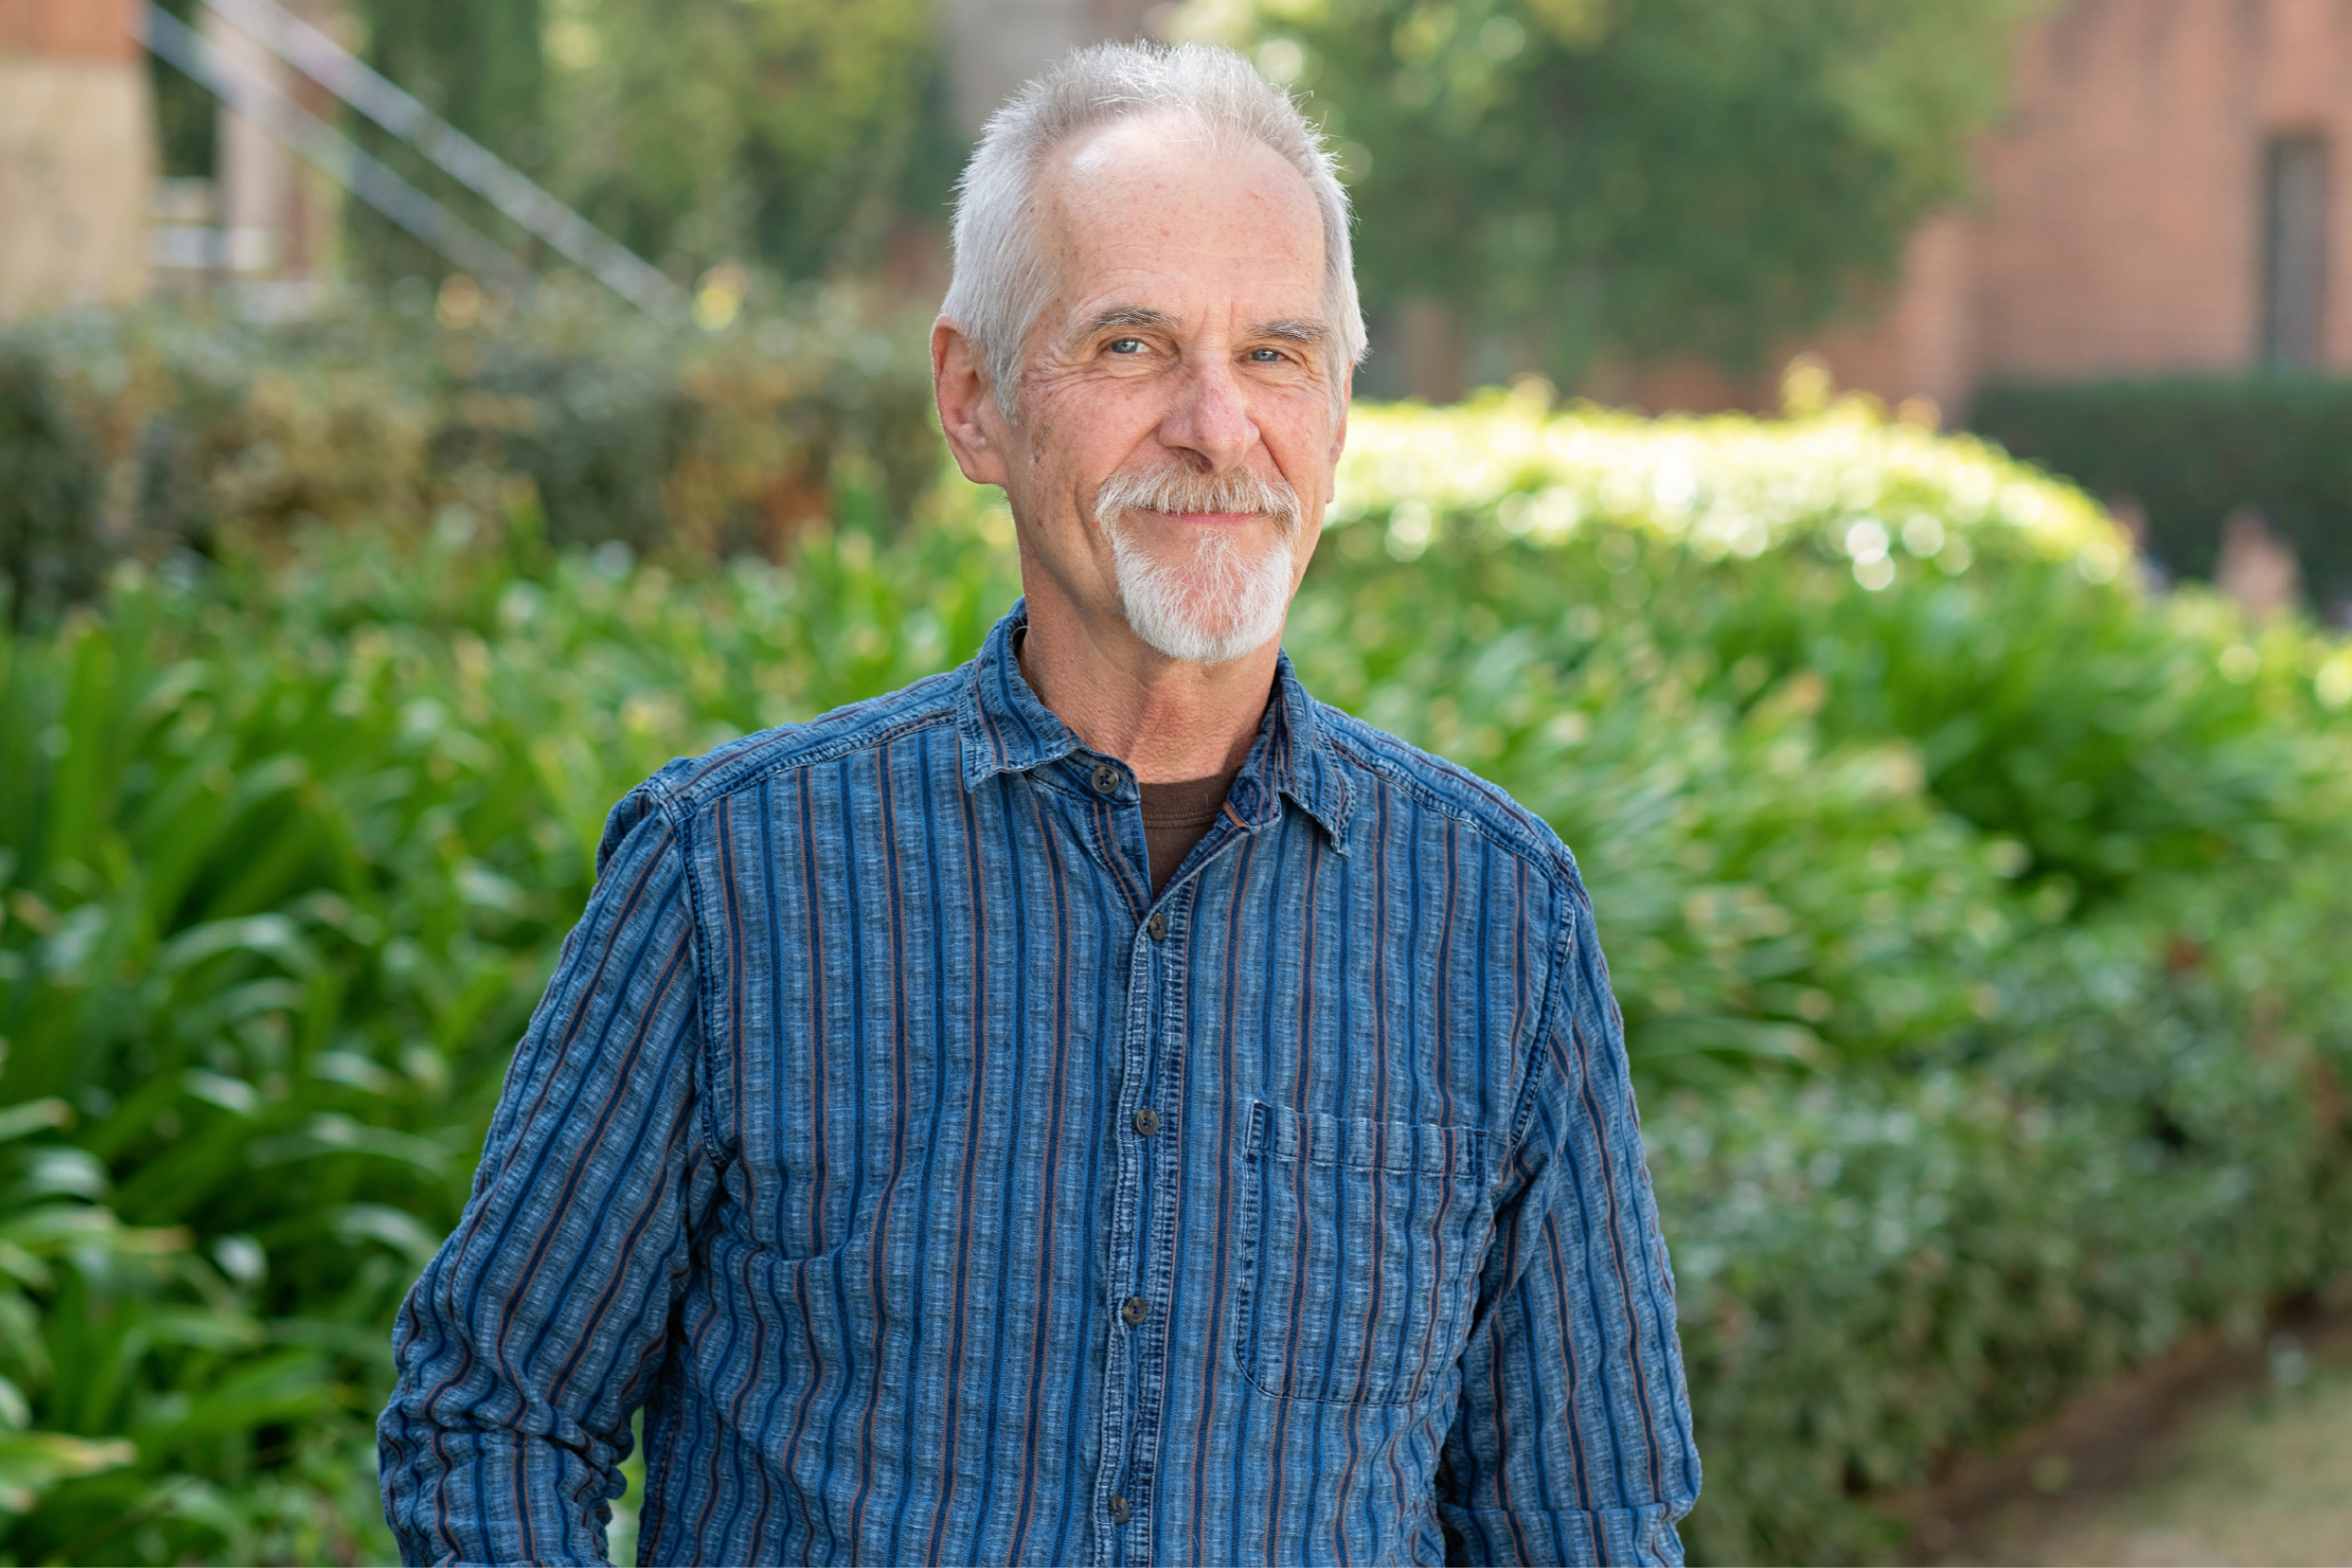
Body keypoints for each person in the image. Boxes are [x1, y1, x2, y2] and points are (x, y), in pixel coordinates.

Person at [379, 40, 1697, 1568]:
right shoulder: (734, 877)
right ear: (975, 401)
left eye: (1275, 352)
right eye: (1131, 346)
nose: (1217, 427)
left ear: (1338, 412)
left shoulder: (1494, 917)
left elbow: (1580, 1521)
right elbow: (496, 1417)